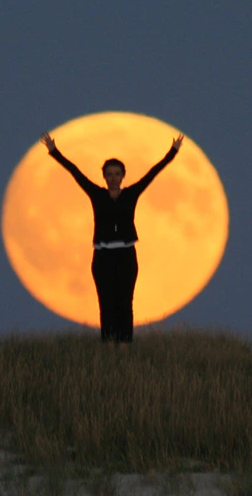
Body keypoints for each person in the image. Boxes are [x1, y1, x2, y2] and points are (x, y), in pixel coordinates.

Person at [40, 131, 184, 347]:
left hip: (126, 255)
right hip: (102, 256)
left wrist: (172, 152)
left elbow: (153, 173)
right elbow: (75, 172)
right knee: (106, 303)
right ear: (104, 177)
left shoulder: (131, 194)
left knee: (125, 303)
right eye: (109, 173)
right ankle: (108, 345)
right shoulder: (96, 194)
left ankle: (125, 345)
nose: (113, 177)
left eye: (117, 173)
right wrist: (54, 151)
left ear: (123, 175)